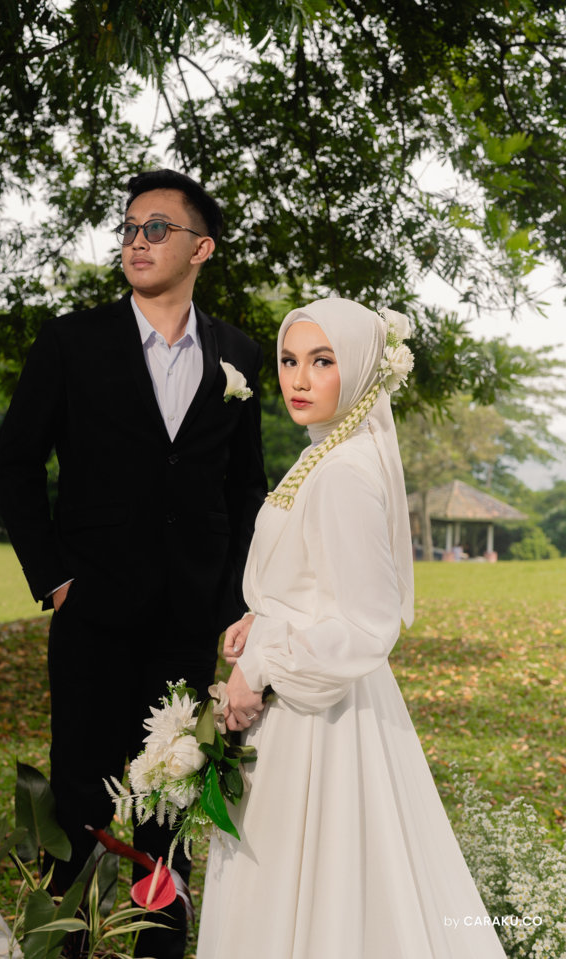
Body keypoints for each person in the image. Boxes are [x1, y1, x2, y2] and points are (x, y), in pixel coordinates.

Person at [0, 169, 267, 959]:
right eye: (130, 228)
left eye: (157, 228)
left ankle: (159, 950)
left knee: (168, 808)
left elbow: (245, 487)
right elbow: (15, 463)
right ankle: (65, 946)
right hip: (92, 613)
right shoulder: (71, 342)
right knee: (78, 798)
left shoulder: (238, 355)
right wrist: (54, 577)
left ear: (201, 249)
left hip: (189, 620)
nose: (136, 241)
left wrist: (232, 600)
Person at [197, 299, 507, 959]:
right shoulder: (322, 453)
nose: (298, 379)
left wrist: (262, 665)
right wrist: (261, 616)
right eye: (289, 361)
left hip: (321, 720)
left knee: (315, 884)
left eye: (322, 361)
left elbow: (366, 624)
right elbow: (317, 579)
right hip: (296, 699)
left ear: (363, 368)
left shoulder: (343, 473)